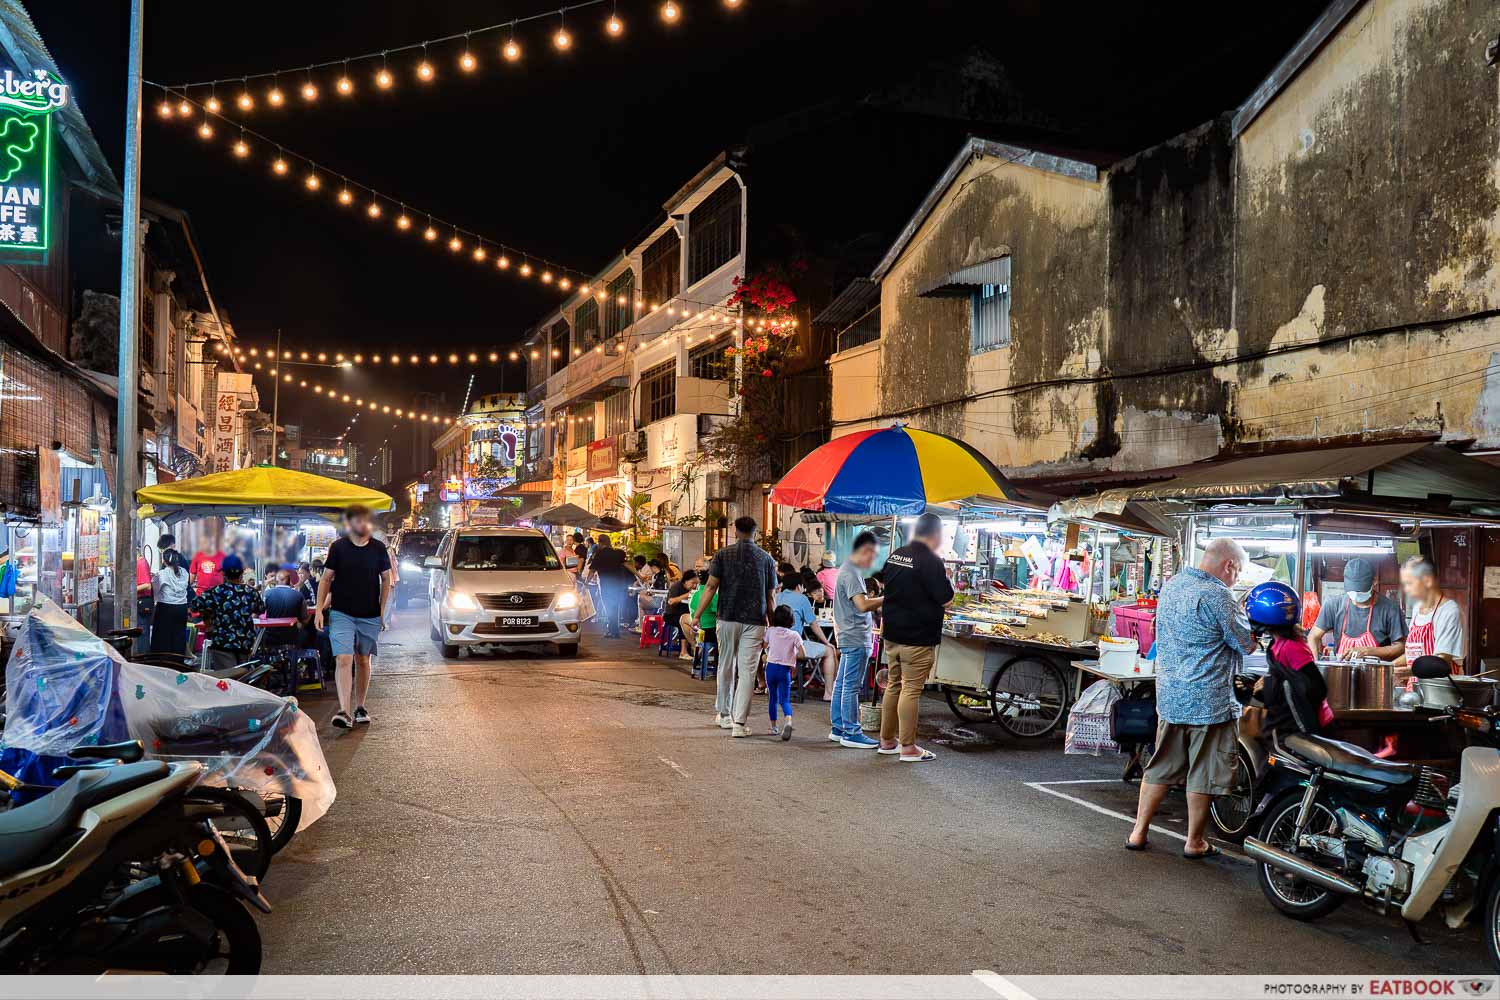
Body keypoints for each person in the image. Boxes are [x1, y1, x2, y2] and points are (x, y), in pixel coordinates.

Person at [1127, 537, 1256, 857]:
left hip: (1171, 697)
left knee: (1159, 766)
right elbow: (1246, 643)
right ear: (1229, 566)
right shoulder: (1219, 596)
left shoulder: (1173, 585)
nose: (1236, 578)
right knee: (1204, 771)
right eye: (1238, 572)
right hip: (1209, 701)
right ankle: (1194, 841)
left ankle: (1138, 832)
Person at [691, 515, 778, 738]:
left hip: (727, 617)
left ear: (735, 531)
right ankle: (739, 724)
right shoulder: (766, 559)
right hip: (755, 620)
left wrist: (697, 615)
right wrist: (773, 625)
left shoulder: (722, 555)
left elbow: (710, 587)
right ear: (755, 532)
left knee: (726, 665)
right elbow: (770, 598)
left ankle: (724, 715)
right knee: (748, 672)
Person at [877, 513, 954, 761]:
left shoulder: (897, 554)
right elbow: (947, 598)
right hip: (917, 638)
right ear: (936, 534)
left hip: (892, 636)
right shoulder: (930, 561)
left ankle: (887, 741)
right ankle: (908, 747)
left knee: (894, 686)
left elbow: (885, 585)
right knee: (910, 689)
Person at [315, 504, 393, 730]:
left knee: (362, 659)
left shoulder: (378, 548)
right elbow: (326, 579)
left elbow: (386, 579)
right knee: (343, 658)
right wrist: (320, 609)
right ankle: (344, 711)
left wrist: (381, 612)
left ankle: (360, 706)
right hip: (341, 613)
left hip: (369, 615)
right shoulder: (338, 548)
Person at [1246, 581, 1331, 737]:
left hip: (1304, 728)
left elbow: (1315, 687)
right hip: (1290, 724)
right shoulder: (1277, 644)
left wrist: (1270, 685)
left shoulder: (1291, 648)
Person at [830, 531, 884, 748]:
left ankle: (838, 727)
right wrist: (887, 598)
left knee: (842, 684)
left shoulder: (846, 570)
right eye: (872, 554)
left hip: (847, 633)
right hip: (855, 636)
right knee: (850, 686)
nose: (873, 560)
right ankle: (851, 732)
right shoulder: (851, 572)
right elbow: (862, 605)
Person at [1306, 556, 1405, 662]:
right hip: (1341, 672)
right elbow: (1313, 637)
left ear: (1374, 581)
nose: (1356, 594)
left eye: (1361, 590)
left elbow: (1401, 646)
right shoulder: (1333, 605)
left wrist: (1368, 651)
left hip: (1375, 673)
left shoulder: (1390, 609)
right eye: (1352, 590)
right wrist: (1315, 664)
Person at [190, 553, 265, 672]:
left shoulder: (215, 592)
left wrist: (208, 616)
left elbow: (194, 606)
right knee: (243, 678)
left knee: (228, 681)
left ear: (223, 573)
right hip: (245, 643)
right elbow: (261, 609)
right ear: (242, 572)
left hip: (222, 643)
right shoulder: (251, 592)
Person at [774, 573, 837, 701]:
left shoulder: (776, 597)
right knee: (830, 651)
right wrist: (827, 642)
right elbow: (813, 624)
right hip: (794, 648)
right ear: (799, 586)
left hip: (774, 648)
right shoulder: (802, 599)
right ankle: (828, 693)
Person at [1398, 556, 1464, 674]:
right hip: (1417, 686)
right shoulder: (1417, 608)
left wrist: (1408, 672)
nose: (1406, 589)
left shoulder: (1448, 611)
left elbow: (1441, 663)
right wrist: (1388, 667)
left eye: (1409, 583)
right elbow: (1412, 655)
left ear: (1427, 581)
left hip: (1440, 688)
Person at [764, 604, 805, 741]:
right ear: (791, 619)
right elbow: (803, 654)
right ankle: (787, 721)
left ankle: (774, 727)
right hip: (784, 670)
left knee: (772, 699)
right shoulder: (794, 635)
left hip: (770, 668)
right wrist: (791, 656)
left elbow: (763, 645)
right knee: (784, 700)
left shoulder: (770, 631)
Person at [585, 536, 632, 639]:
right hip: (618, 583)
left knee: (608, 606)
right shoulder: (617, 553)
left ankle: (613, 630)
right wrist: (640, 575)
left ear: (600, 543)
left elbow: (592, 570)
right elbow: (627, 565)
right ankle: (614, 630)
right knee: (615, 606)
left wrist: (586, 582)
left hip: (606, 584)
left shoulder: (600, 554)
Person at [149, 548, 193, 655]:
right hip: (181, 608)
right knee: (178, 636)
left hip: (165, 608)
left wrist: (152, 578)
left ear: (164, 561)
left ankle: (163, 662)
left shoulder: (161, 574)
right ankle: (178, 661)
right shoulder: (184, 572)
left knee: (163, 637)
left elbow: (155, 591)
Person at [664, 570, 698, 658]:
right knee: (682, 620)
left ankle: (693, 648)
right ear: (685, 580)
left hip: (685, 613)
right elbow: (671, 602)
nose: (694, 586)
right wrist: (688, 594)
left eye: (696, 584)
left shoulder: (696, 590)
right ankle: (683, 651)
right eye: (692, 583)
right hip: (671, 615)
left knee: (691, 621)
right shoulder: (676, 586)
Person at [687, 574, 718, 660]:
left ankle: (700, 654)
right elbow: (718, 611)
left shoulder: (694, 594)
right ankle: (717, 663)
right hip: (709, 633)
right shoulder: (713, 596)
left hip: (697, 631)